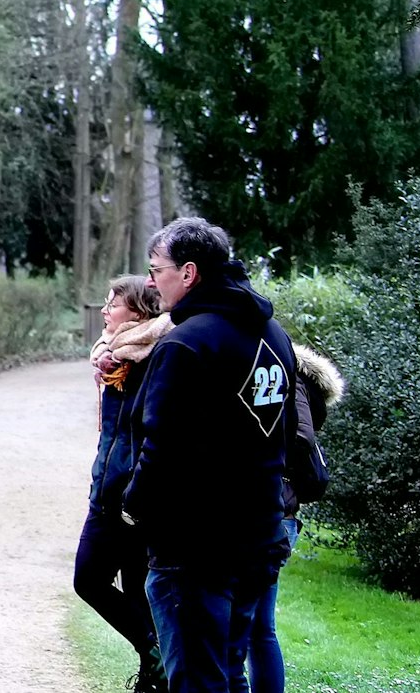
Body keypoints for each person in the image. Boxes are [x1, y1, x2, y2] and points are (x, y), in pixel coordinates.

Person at [122, 217, 298, 693]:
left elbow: (160, 445)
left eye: (157, 269)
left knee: (198, 681)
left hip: (194, 548)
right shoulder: (275, 338)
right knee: (228, 671)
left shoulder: (186, 343)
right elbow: (284, 435)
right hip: (256, 537)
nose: (152, 281)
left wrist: (132, 507)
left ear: (190, 273)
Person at [75, 276, 172, 693]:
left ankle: (155, 660)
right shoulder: (114, 358)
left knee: (96, 580)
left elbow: (149, 432)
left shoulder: (154, 359)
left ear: (138, 312)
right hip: (107, 490)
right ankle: (155, 667)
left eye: (113, 304)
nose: (104, 310)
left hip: (133, 496)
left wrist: (134, 487)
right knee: (123, 589)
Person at [243, 343, 341, 693]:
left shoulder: (286, 374)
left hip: (274, 507)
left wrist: (263, 457)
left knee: (254, 626)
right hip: (281, 507)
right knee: (257, 626)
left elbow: (300, 437)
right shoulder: (293, 374)